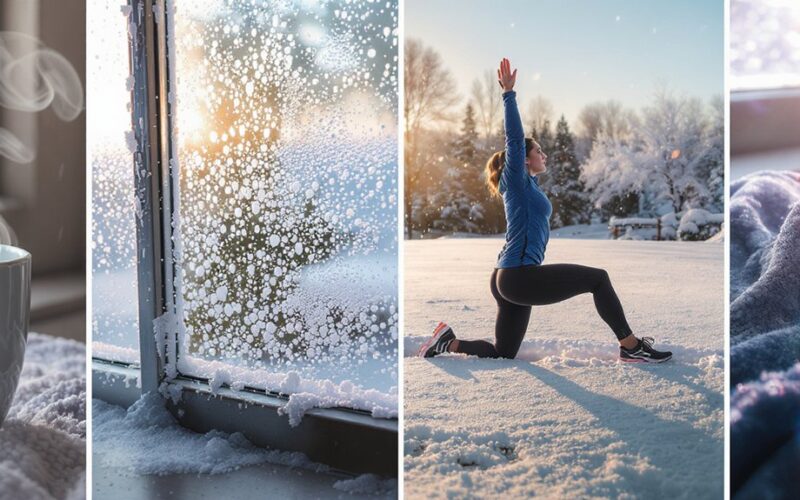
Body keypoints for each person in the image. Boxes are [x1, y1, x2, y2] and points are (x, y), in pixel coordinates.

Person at [417, 58, 671, 363]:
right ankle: (631, 347)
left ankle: (448, 343)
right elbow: (514, 139)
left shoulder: (530, 187)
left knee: (503, 353)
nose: (544, 154)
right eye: (538, 150)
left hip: (509, 275)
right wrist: (509, 95)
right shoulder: (517, 180)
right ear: (523, 158)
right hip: (518, 277)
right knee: (598, 279)